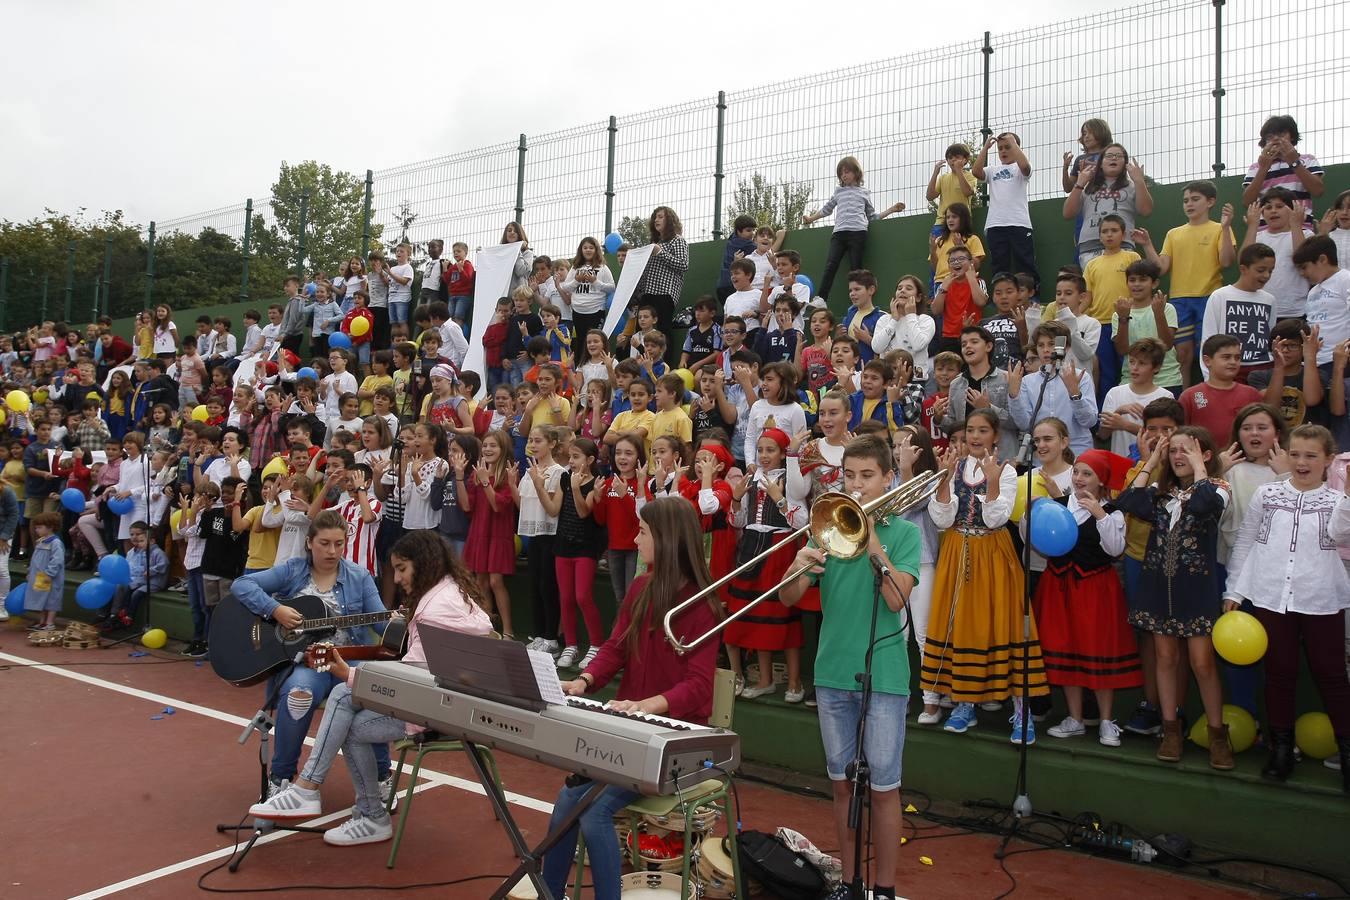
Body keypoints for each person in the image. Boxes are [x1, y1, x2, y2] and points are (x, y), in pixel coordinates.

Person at [248, 529, 492, 843]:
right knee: (345, 712)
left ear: (424, 563)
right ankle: (347, 806)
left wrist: (348, 675)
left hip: (438, 710)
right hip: (449, 701)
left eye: (402, 569)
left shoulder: (434, 611)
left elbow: (410, 686)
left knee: (342, 698)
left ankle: (321, 794)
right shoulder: (450, 591)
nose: (399, 579)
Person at [542, 496, 722, 900]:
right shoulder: (641, 587)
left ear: (667, 540)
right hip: (632, 731)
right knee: (566, 802)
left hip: (677, 742)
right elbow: (616, 647)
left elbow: (699, 686)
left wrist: (646, 705)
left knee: (594, 812)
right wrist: (584, 681)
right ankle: (549, 893)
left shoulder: (702, 605)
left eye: (642, 532)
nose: (632, 538)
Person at [780, 435, 918, 900]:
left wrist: (874, 542)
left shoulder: (905, 533)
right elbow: (788, 599)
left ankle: (883, 888)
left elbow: (897, 599)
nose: (856, 486)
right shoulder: (827, 528)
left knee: (883, 789)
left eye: (867, 476)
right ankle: (849, 883)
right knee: (841, 787)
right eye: (850, 476)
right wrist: (797, 566)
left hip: (884, 675)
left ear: (887, 479)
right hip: (832, 671)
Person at [232, 510, 394, 802]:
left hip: (347, 658)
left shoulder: (359, 576)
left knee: (371, 690)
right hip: (307, 661)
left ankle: (382, 777)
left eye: (339, 544)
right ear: (309, 543)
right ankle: (280, 779)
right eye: (324, 543)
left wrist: (402, 623)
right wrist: (274, 609)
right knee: (298, 693)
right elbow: (241, 585)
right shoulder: (292, 570)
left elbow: (381, 621)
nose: (332, 551)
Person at [1226, 424, 1350, 787]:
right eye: (1295, 454)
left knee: (1332, 676)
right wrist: (1233, 591)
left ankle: (1347, 753)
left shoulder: (1337, 502)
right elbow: (1246, 540)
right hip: (1270, 597)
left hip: (1321, 597)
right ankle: (1281, 749)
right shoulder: (1267, 494)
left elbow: (1342, 536)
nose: (1301, 462)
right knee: (1279, 674)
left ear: (1329, 459)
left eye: (1311, 455)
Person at [922, 409, 1049, 742]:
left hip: (993, 554)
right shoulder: (955, 467)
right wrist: (945, 479)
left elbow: (995, 519)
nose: (975, 437)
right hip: (957, 552)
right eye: (970, 431)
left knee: (1005, 625)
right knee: (961, 625)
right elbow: (941, 518)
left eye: (982, 431)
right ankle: (964, 704)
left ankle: (1022, 715)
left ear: (995, 436)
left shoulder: (1005, 471)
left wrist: (992, 480)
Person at [1116, 427, 1232, 769]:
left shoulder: (1218, 488)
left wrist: (1200, 471)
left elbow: (1202, 505)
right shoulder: (1161, 493)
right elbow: (1129, 502)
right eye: (1174, 451)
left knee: (1202, 663)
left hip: (1196, 591)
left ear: (1206, 454)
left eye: (1187, 450)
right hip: (1158, 589)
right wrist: (1150, 460)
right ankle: (1170, 730)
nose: (1178, 456)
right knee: (1165, 657)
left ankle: (1216, 735)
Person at [1037, 450, 1141, 747]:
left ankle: (1107, 720)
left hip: (1095, 589)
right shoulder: (1057, 506)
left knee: (1098, 651)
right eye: (1077, 472)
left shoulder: (1112, 512)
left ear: (1101, 481)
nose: (1080, 478)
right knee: (1064, 648)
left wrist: (1100, 516)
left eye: (1087, 474)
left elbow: (1114, 549)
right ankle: (1075, 718)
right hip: (1059, 587)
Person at [726, 427, 807, 701]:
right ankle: (765, 679)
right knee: (755, 615)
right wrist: (736, 497)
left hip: (780, 548)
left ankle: (795, 681)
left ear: (784, 454)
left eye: (770, 450)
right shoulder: (752, 478)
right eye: (760, 450)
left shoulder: (790, 478)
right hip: (751, 548)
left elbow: (801, 522)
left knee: (782, 616)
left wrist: (779, 498)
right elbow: (737, 522)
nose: (764, 455)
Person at [1134, 181, 1238, 386]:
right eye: (1185, 200)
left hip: (1209, 299)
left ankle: (1214, 393)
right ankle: (1185, 398)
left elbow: (1227, 261)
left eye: (1195, 199)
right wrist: (1147, 245)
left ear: (1211, 202)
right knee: (1182, 354)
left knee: (1210, 351)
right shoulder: (1174, 234)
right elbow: (1161, 268)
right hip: (1180, 301)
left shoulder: (1220, 228)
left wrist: (1226, 228)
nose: (1189, 204)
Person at [801, 156, 904, 301]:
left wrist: (892, 209)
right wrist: (811, 219)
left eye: (847, 172)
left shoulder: (864, 193)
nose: (844, 175)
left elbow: (872, 216)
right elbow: (827, 209)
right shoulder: (838, 192)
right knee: (831, 264)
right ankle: (821, 299)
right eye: (841, 173)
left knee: (856, 268)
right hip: (839, 233)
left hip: (858, 232)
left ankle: (859, 300)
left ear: (856, 173)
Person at [461, 430, 518, 639]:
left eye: (493, 445)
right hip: (479, 532)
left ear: (503, 449)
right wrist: (460, 477)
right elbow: (467, 506)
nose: (487, 449)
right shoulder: (477, 474)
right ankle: (486, 628)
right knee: (481, 581)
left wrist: (486, 482)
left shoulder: (508, 474)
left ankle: (508, 630)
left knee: (496, 581)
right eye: (485, 445)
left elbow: (497, 506)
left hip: (499, 533)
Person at [1010, 321, 1099, 455]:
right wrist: (1014, 395)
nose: (1046, 350)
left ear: (1067, 347)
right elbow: (1025, 425)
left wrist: (1075, 393)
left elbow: (1089, 421)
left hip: (1076, 452)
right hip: (1042, 456)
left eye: (1051, 344)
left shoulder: (1081, 376)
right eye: (1041, 345)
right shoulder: (1027, 381)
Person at [1199, 243, 1277, 380]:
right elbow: (1208, 339)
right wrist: (1209, 377)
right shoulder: (1220, 296)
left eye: (1270, 271)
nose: (1266, 275)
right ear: (1243, 269)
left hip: (1263, 368)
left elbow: (1270, 337)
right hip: (1229, 369)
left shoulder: (1270, 300)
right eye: (1261, 270)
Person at [973, 131, 1037, 285]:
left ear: (1016, 148)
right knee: (1000, 265)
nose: (1003, 151)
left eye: (1007, 147)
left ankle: (1031, 297)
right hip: (995, 224)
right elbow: (976, 172)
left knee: (1025, 262)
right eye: (1000, 148)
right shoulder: (993, 170)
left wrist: (1014, 143)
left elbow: (1026, 168)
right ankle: (1001, 299)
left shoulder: (1020, 167)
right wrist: (985, 148)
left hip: (1019, 223)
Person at [1240, 114, 1325, 229]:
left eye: (1281, 134)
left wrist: (1294, 162)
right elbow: (1247, 202)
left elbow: (1318, 191)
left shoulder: (1307, 160)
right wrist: (1264, 168)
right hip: (1265, 231)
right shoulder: (1256, 167)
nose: (1275, 139)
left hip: (1300, 228)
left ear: (1292, 137)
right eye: (1270, 136)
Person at [1241, 188, 1312, 319]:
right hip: (1261, 309)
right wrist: (1252, 226)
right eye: (1268, 207)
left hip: (1295, 311)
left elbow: (1302, 259)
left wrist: (1296, 224)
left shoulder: (1305, 234)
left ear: (1293, 209)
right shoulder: (1258, 236)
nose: (1273, 210)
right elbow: (1244, 261)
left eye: (1279, 206)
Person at [1179, 335, 1262, 443]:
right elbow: (1181, 433)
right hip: (1201, 457)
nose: (1233, 362)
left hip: (1241, 457)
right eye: (1226, 357)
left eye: (1237, 357)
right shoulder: (1190, 396)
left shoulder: (1251, 394)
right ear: (1207, 361)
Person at [632, 206, 689, 335]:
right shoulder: (653, 242)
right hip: (647, 293)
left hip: (664, 293)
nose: (656, 220)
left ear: (670, 220)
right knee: (640, 330)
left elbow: (683, 265)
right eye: (655, 217)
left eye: (660, 217)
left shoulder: (677, 240)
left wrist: (660, 252)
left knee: (663, 329)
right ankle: (641, 355)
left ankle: (665, 356)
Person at [22, 511, 64, 632]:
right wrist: (30, 571)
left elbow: (57, 560)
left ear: (50, 527)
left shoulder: (55, 543)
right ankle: (42, 622)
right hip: (39, 576)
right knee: (41, 599)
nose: (37, 530)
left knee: (51, 600)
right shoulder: (40, 541)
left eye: (40, 527)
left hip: (50, 577)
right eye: (36, 528)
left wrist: (50, 573)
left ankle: (49, 623)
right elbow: (34, 559)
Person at [926, 144, 977, 233]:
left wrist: (959, 171)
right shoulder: (943, 178)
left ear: (965, 159)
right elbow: (930, 196)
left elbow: (967, 192)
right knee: (936, 245)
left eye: (957, 157)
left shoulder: (970, 176)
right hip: (941, 222)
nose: (953, 159)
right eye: (950, 157)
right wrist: (935, 174)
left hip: (961, 222)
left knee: (959, 246)